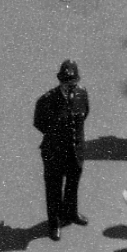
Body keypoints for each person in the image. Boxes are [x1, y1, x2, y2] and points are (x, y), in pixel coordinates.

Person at [33, 58, 89, 239]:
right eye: (66, 83)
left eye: (73, 82)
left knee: (73, 184)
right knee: (54, 189)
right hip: (54, 151)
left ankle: (71, 213)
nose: (70, 86)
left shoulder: (82, 93)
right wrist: (57, 135)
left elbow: (84, 114)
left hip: (75, 149)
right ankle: (54, 222)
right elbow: (39, 123)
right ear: (60, 81)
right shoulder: (47, 100)